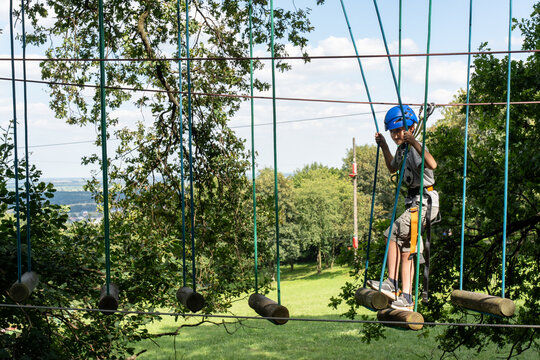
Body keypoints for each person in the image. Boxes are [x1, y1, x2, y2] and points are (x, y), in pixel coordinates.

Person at [367, 105, 439, 311]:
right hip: (416, 204)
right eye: (393, 132)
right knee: (407, 249)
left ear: (412, 127)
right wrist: (383, 146)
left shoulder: (416, 148)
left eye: (400, 131)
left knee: (392, 234)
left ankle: (392, 282)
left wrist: (415, 142)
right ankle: (406, 296)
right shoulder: (402, 149)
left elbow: (432, 164)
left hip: (424, 203)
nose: (397, 135)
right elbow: (392, 167)